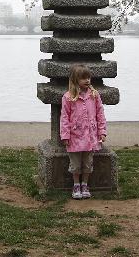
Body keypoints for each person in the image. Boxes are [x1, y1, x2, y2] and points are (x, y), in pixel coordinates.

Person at [60, 65, 107, 200]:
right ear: (75, 80)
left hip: (91, 136)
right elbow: (64, 117)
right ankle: (76, 185)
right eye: (83, 78)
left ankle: (85, 184)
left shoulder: (94, 95)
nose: (87, 80)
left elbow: (100, 114)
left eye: (88, 77)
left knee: (87, 163)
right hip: (75, 136)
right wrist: (65, 135)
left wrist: (102, 131)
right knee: (75, 164)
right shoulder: (68, 97)